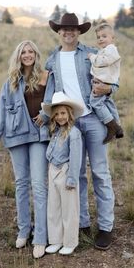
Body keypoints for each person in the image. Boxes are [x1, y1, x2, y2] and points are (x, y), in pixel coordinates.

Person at [42, 12, 117, 251]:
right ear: (59, 32)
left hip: (93, 119)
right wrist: (45, 116)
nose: (68, 32)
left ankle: (106, 227)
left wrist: (109, 89)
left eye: (72, 29)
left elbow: (111, 78)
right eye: (64, 29)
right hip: (69, 125)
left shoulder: (90, 55)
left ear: (78, 32)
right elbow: (50, 91)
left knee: (100, 173)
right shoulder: (52, 59)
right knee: (77, 175)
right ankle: (83, 223)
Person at [0, 40, 49, 259]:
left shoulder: (46, 76)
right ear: (18, 56)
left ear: (36, 54)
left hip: (39, 136)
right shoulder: (10, 82)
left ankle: (40, 237)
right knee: (21, 184)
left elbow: (55, 101)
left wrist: (47, 115)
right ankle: (23, 229)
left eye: (31, 52)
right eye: (23, 52)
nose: (27, 55)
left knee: (38, 185)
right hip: (16, 136)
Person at [41, 92, 83, 256]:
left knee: (69, 208)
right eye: (56, 114)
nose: (59, 117)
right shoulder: (55, 131)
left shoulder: (74, 133)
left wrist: (72, 179)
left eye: (63, 113)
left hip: (66, 171)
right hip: (53, 170)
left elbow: (75, 158)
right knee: (54, 207)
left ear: (70, 114)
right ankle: (56, 240)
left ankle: (70, 241)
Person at [88, 22, 124, 144]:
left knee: (95, 102)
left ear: (112, 38)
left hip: (105, 82)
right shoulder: (104, 50)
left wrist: (92, 57)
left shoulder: (111, 49)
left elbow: (103, 62)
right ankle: (118, 126)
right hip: (105, 80)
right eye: (98, 37)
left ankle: (112, 126)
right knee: (108, 102)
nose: (101, 39)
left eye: (104, 36)